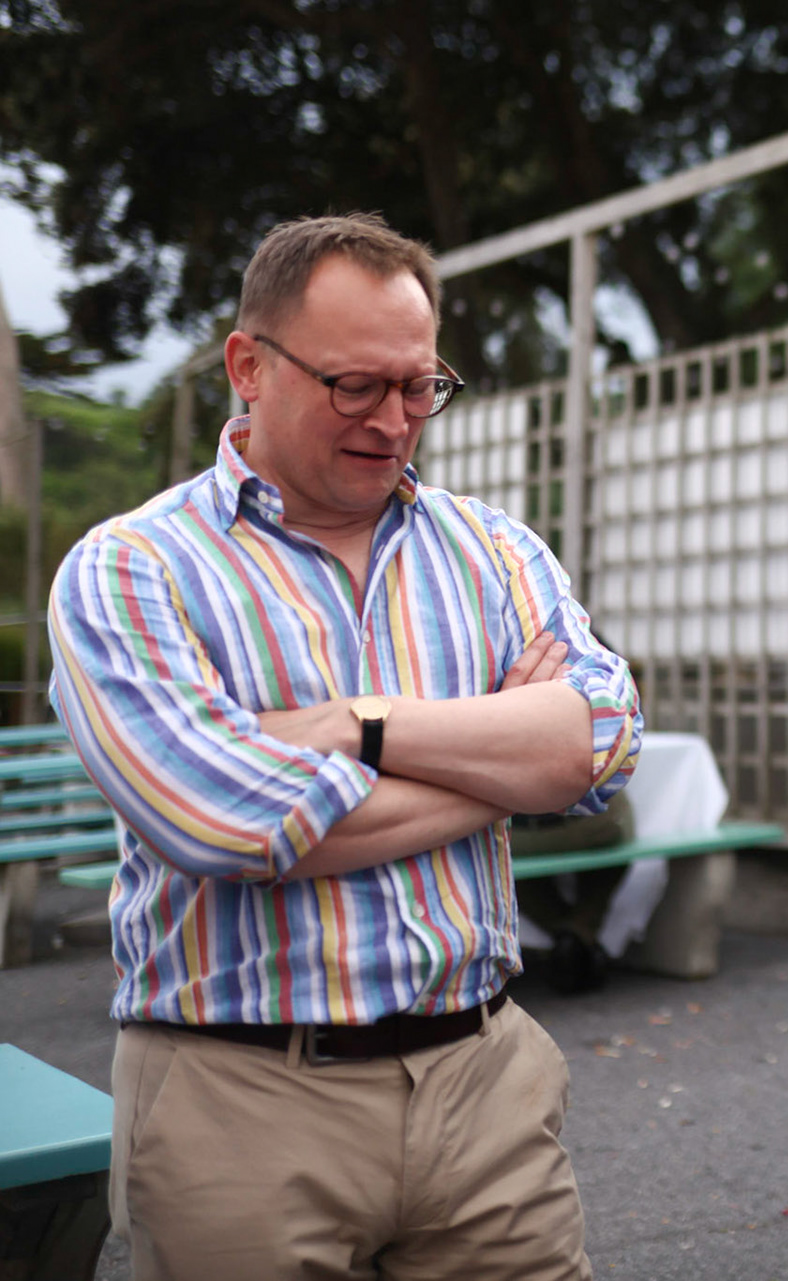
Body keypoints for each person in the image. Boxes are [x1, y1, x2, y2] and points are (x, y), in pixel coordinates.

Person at [47, 212, 642, 1281]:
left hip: (485, 1087)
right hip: (241, 1102)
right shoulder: (130, 569)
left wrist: (356, 731)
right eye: (355, 386)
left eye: (420, 386)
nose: (396, 419)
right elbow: (224, 820)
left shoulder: (494, 548)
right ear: (249, 367)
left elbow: (604, 736)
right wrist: (507, 770)